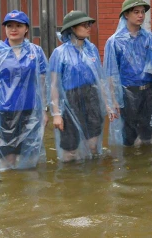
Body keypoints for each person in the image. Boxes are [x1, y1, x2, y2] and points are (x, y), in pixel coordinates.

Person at [0, 10, 48, 170]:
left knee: (29, 156)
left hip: (30, 112)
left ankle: (26, 193)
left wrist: (44, 111)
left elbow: (42, 83)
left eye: (18, 26)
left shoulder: (36, 52)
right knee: (7, 159)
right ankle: (8, 191)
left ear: (26, 29)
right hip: (4, 113)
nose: (13, 29)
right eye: (9, 25)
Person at [48, 11, 117, 161]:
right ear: (72, 28)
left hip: (92, 97)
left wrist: (107, 104)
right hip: (70, 101)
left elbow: (100, 78)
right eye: (84, 25)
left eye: (89, 24)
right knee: (70, 150)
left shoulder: (91, 49)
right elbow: (53, 85)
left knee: (92, 144)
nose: (88, 27)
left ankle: (91, 177)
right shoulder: (59, 53)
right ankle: (71, 178)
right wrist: (57, 114)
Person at [104, 0, 152, 147]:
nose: (141, 15)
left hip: (148, 91)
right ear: (126, 15)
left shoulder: (149, 37)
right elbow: (110, 73)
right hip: (127, 93)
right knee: (128, 135)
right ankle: (130, 165)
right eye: (136, 12)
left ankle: (145, 164)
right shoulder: (114, 41)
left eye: (142, 12)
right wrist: (113, 100)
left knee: (148, 133)